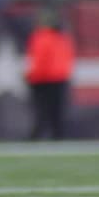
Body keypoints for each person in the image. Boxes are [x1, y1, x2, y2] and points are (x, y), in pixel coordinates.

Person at [25, 11, 75, 141]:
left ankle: (37, 137)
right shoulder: (62, 37)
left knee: (43, 111)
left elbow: (39, 61)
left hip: (43, 80)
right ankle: (57, 136)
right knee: (55, 112)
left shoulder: (41, 37)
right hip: (59, 78)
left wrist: (31, 76)